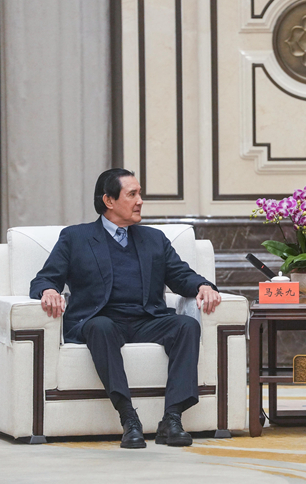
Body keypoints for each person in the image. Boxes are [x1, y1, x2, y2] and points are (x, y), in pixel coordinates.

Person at [30, 168, 221, 449]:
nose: (140, 200)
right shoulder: (76, 238)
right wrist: (48, 290)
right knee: (100, 326)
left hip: (147, 319)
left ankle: (172, 419)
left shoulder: (154, 239)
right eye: (132, 194)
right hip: (102, 320)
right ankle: (128, 417)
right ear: (109, 201)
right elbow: (46, 278)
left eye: (139, 193)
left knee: (186, 325)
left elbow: (181, 276)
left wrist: (203, 286)